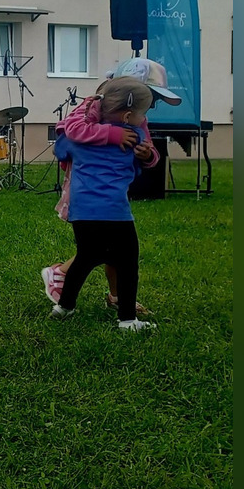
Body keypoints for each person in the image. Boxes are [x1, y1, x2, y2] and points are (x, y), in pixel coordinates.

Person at [41, 58, 178, 313]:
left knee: (108, 248)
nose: (150, 107)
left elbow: (148, 152)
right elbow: (69, 130)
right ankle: (61, 273)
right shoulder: (92, 106)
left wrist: (147, 155)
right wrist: (112, 134)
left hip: (112, 191)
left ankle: (115, 295)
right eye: (150, 97)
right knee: (99, 247)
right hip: (84, 186)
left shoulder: (138, 121)